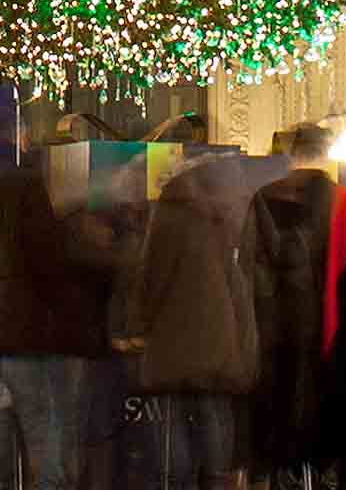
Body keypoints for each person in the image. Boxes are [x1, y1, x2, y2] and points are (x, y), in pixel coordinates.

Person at [242, 127, 346, 490]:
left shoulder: (263, 200)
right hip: (338, 351)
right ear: (327, 152)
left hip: (276, 347)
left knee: (279, 443)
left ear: (291, 154)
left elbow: (247, 272)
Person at [112, 146, 261, 490]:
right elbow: (237, 278)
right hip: (219, 336)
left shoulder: (170, 211)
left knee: (174, 430)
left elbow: (154, 274)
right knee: (214, 419)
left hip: (175, 337)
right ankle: (218, 482)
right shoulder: (228, 212)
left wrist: (138, 325)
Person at [0, 150, 115, 490]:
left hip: (5, 342)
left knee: (20, 418)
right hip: (45, 342)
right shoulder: (43, 234)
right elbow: (58, 285)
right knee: (56, 424)